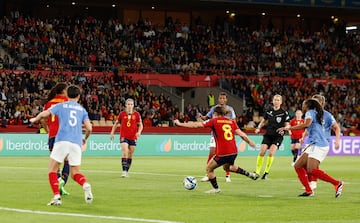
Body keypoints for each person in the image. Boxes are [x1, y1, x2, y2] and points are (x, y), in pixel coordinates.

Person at [30, 85, 93, 205]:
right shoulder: (82, 110)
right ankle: (85, 184)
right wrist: (84, 138)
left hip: (62, 140)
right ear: (78, 96)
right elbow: (89, 128)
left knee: (52, 170)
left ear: (67, 95)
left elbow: (44, 114)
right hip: (76, 143)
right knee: (75, 173)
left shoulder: (60, 106)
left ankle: (56, 197)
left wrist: (35, 119)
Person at [174, 106, 258, 193]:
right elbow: (241, 134)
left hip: (223, 152)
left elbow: (196, 125)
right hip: (233, 152)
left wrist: (180, 124)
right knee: (227, 167)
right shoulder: (231, 122)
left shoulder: (214, 121)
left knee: (209, 169)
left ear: (215, 114)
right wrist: (250, 142)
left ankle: (216, 189)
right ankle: (250, 174)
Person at [277, 99, 344, 198]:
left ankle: (337, 183)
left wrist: (288, 128)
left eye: (303, 105)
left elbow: (307, 124)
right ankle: (309, 190)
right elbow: (312, 127)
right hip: (314, 143)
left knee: (311, 170)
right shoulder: (321, 114)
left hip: (318, 144)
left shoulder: (310, 112)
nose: (302, 106)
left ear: (308, 106)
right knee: (298, 166)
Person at [303, 94, 341, 190]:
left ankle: (316, 182)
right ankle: (312, 182)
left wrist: (337, 140)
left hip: (321, 143)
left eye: (315, 101)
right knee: (305, 163)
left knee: (311, 165)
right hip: (311, 142)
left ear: (321, 103)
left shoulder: (327, 115)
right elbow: (309, 128)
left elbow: (336, 127)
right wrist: (303, 136)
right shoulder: (311, 113)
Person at [199, 92, 236, 183]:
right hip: (215, 135)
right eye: (220, 98)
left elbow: (234, 121)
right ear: (218, 99)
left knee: (226, 155)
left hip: (226, 136)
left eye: (223, 98)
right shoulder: (214, 108)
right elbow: (207, 118)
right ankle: (208, 174)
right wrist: (201, 117)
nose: (222, 100)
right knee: (212, 152)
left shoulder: (230, 109)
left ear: (226, 99)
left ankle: (227, 175)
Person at [40, 82, 70, 195]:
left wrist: (48, 130)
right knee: (68, 160)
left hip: (52, 136)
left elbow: (42, 119)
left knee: (55, 163)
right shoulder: (67, 102)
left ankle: (58, 182)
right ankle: (62, 181)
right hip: (65, 136)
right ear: (63, 91)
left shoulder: (48, 103)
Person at [254, 94, 290, 180]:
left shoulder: (284, 113)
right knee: (262, 152)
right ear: (273, 101)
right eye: (275, 100)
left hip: (278, 136)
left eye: (278, 100)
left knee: (271, 153)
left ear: (281, 102)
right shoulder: (268, 111)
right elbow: (263, 121)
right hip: (268, 135)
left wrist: (285, 128)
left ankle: (266, 173)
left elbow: (287, 124)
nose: (276, 101)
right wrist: (258, 128)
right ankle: (257, 172)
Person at [110, 98, 143, 177]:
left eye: (131, 104)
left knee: (130, 154)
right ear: (125, 105)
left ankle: (127, 170)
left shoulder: (136, 114)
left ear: (133, 105)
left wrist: (139, 132)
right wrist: (112, 133)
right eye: (128, 104)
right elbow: (116, 124)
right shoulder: (122, 114)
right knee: (125, 152)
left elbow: (141, 125)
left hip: (133, 137)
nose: (130, 106)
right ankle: (124, 171)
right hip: (124, 136)